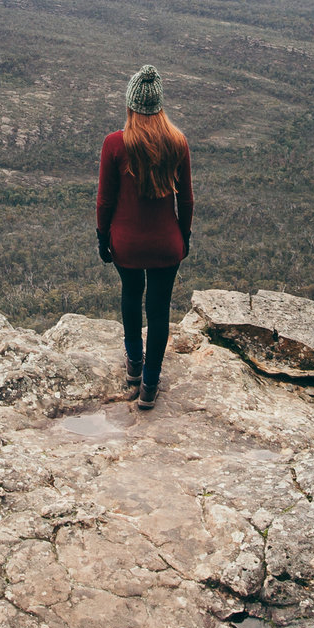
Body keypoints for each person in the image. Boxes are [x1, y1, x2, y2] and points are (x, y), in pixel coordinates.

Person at [97, 64, 193, 409]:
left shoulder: (114, 144)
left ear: (130, 104)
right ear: (160, 105)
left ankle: (134, 365)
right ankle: (150, 386)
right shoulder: (178, 143)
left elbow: (105, 199)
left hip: (126, 244)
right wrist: (184, 236)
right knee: (158, 310)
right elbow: (186, 199)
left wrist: (101, 236)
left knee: (131, 294)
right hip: (167, 244)